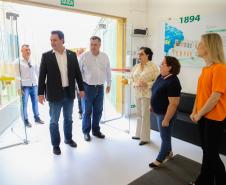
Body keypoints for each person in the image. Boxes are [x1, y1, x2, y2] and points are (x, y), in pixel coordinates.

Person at [188, 33, 226, 185]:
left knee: (212, 154)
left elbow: (215, 96)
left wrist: (199, 114)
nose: (197, 46)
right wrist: (194, 111)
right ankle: (204, 181)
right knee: (207, 152)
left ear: (209, 47)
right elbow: (200, 94)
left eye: (200, 44)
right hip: (203, 116)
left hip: (214, 118)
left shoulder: (220, 69)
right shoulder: (205, 69)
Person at [38, 31, 84, 155]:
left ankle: (68, 139)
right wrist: (40, 93)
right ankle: (55, 145)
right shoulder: (46, 56)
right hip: (54, 94)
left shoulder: (72, 55)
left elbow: (77, 74)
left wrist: (81, 88)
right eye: (51, 40)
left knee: (68, 119)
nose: (52, 42)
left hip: (69, 93)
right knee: (54, 121)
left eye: (55, 40)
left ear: (62, 40)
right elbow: (42, 77)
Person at [149, 56, 181, 168]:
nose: (160, 65)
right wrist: (151, 105)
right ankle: (169, 152)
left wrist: (167, 119)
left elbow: (174, 103)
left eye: (162, 63)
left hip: (165, 114)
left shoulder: (173, 82)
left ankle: (160, 159)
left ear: (170, 67)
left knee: (164, 137)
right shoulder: (161, 76)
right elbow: (155, 91)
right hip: (158, 112)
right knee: (166, 135)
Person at [79, 36, 111, 142]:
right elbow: (78, 73)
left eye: (95, 44)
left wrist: (109, 84)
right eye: (91, 44)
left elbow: (108, 71)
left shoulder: (105, 56)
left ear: (99, 45)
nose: (93, 47)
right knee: (87, 111)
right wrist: (79, 88)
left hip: (100, 87)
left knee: (98, 110)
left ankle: (96, 130)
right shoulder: (84, 56)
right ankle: (86, 132)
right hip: (87, 88)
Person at [131, 47, 159, 145]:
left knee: (145, 116)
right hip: (137, 93)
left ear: (148, 55)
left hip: (147, 94)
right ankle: (138, 134)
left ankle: (145, 138)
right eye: (139, 54)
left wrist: (147, 84)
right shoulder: (136, 66)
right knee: (138, 114)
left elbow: (157, 81)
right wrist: (135, 84)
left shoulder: (153, 66)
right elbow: (132, 79)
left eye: (141, 54)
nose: (139, 56)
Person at [15, 44, 44, 127]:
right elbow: (17, 76)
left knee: (35, 102)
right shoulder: (17, 62)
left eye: (29, 50)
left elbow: (38, 72)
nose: (28, 51)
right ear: (22, 51)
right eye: (26, 50)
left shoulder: (33, 60)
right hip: (24, 86)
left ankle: (37, 118)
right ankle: (25, 120)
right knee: (24, 104)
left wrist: (41, 84)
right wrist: (18, 88)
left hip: (34, 85)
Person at [76, 48, 85, 119]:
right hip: (78, 83)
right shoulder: (75, 60)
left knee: (86, 98)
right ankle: (81, 112)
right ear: (77, 53)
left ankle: (85, 112)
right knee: (80, 98)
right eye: (80, 52)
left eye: (83, 52)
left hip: (85, 83)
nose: (82, 53)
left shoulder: (85, 59)